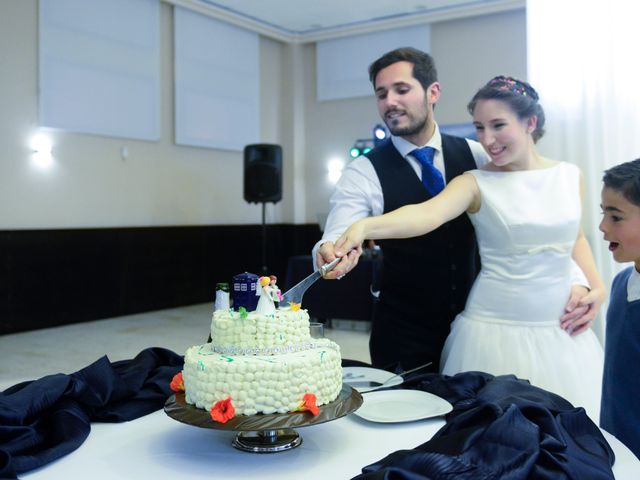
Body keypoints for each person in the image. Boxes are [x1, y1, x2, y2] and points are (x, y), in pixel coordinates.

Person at [333, 75, 606, 421]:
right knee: (491, 434)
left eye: (498, 126)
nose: (487, 140)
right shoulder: (475, 182)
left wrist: (597, 285)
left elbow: (575, 237)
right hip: (493, 330)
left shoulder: (569, 175)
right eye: (479, 127)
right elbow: (425, 215)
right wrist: (363, 226)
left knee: (570, 436)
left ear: (530, 122)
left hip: (561, 331)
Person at [599, 158, 640, 458]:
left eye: (615, 216)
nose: (602, 226)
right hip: (619, 445)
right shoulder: (621, 282)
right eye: (603, 214)